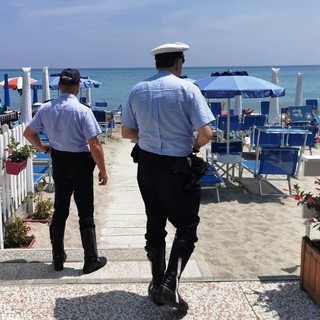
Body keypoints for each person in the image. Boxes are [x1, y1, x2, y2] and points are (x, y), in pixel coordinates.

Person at [121, 42, 214, 311]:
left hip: (147, 167)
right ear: (179, 64)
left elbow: (127, 133)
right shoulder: (187, 89)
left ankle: (156, 283)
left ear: (156, 64)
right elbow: (205, 134)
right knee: (186, 226)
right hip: (176, 167)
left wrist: (149, 138)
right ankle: (170, 285)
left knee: (155, 222)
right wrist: (193, 146)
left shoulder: (138, 90)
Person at [23, 68, 107, 274]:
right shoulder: (82, 111)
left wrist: (44, 148)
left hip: (59, 159)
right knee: (85, 212)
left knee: (60, 210)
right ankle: (90, 259)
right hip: (81, 162)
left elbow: (28, 133)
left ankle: (58, 257)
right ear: (78, 87)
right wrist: (103, 171)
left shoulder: (46, 109)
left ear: (59, 86)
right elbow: (94, 144)